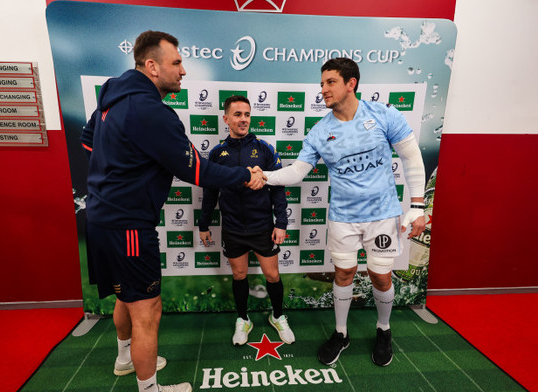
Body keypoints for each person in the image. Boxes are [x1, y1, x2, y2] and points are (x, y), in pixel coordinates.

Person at [80, 31, 266, 392]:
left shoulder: (113, 92)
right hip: (129, 226)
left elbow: (88, 141)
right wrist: (245, 175)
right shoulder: (152, 112)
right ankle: (149, 388)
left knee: (125, 295)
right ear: (152, 66)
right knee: (147, 310)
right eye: (177, 63)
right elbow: (198, 171)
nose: (183, 71)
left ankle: (124, 357)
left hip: (100, 218)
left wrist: (117, 174)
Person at [263, 57, 426, 367]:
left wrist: (418, 207)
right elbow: (297, 171)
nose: (323, 89)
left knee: (380, 277)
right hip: (343, 218)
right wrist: (264, 176)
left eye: (330, 82)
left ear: (351, 84)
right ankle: (341, 333)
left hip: (382, 215)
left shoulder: (383, 114)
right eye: (321, 83)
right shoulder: (320, 131)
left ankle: (384, 329)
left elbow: (411, 157)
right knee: (344, 273)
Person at [198, 95, 295, 346]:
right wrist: (204, 224)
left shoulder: (265, 149)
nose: (243, 119)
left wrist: (281, 222)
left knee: (272, 276)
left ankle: (278, 316)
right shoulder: (218, 153)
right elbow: (210, 192)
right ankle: (243, 319)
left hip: (263, 226)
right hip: (232, 228)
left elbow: (278, 188)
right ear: (226, 118)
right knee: (239, 275)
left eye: (247, 114)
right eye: (238, 114)